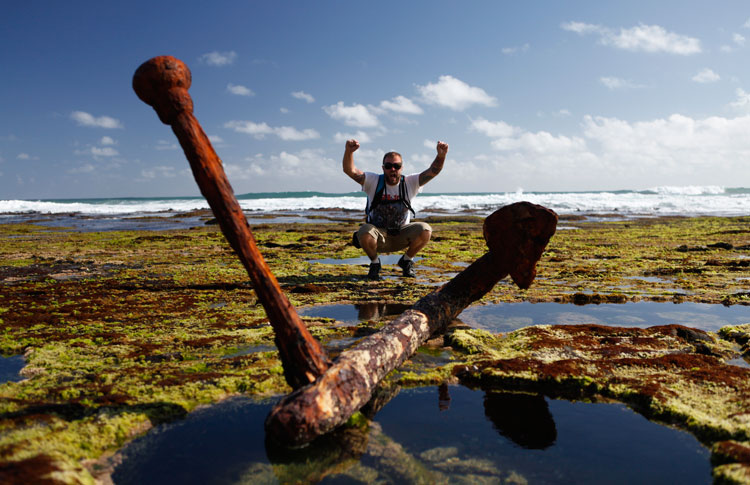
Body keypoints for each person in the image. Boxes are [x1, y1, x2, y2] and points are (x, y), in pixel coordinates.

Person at [343, 138, 449, 280]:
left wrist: (441, 156)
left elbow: (433, 171)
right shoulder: (373, 181)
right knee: (364, 231)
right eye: (388, 166)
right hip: (378, 237)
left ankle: (406, 261)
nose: (393, 169)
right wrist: (349, 152)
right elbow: (349, 170)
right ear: (383, 168)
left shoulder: (411, 182)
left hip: (401, 235)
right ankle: (375, 264)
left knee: (426, 229)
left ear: (401, 168)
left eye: (397, 166)